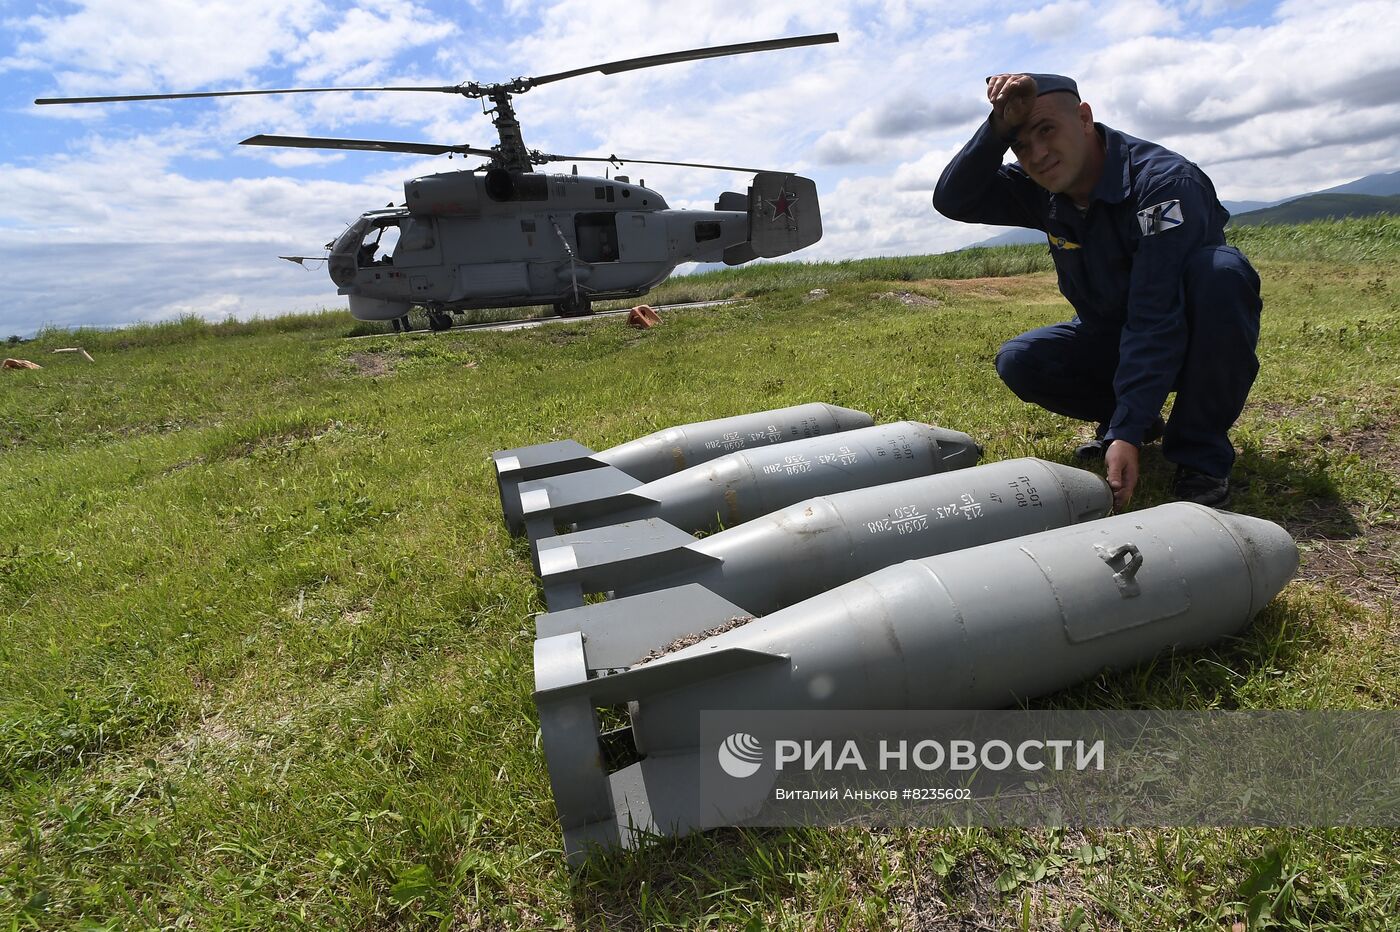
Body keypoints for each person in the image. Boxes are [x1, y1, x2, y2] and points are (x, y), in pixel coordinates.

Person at [933, 73, 1262, 509]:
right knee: (1021, 359)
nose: (1038, 154)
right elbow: (953, 200)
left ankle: (1200, 455)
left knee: (1222, 274)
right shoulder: (1044, 188)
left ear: (1084, 118)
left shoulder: (1163, 185)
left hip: (1188, 337)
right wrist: (995, 128)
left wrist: (1121, 430)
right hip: (1110, 334)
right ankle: (1139, 426)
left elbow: (1156, 313)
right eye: (1021, 145)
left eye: (1046, 130)